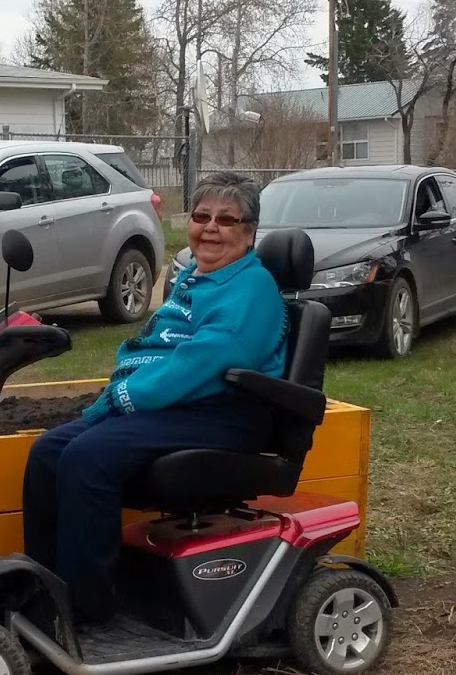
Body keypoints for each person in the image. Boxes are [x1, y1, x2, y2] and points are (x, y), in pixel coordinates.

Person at [21, 171, 289, 628]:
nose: (211, 227)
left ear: (249, 234)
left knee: (89, 456)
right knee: (48, 452)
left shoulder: (251, 289)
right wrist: (121, 394)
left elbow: (206, 361)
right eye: (202, 215)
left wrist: (125, 397)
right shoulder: (196, 279)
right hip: (179, 404)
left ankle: (87, 610)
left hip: (225, 410)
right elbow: (157, 351)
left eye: (227, 220)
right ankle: (45, 590)